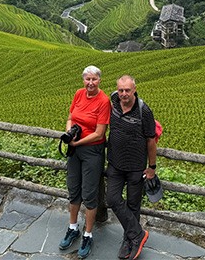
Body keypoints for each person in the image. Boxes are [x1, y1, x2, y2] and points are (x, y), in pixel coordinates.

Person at [59, 65, 111, 259]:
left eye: (94, 79)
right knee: (73, 189)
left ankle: (88, 234)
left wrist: (77, 141)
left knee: (90, 193)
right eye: (87, 79)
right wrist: (69, 132)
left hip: (92, 150)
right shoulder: (79, 94)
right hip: (75, 149)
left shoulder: (104, 101)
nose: (90, 83)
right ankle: (73, 227)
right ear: (83, 80)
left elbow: (100, 132)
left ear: (99, 81)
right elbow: (71, 117)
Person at [106, 75, 157, 260]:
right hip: (115, 163)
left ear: (134, 89)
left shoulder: (144, 111)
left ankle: (128, 240)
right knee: (112, 198)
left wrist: (152, 167)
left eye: (127, 90)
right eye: (121, 90)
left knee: (134, 205)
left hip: (136, 166)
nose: (124, 94)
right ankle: (138, 234)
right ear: (116, 91)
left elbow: (151, 140)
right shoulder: (113, 102)